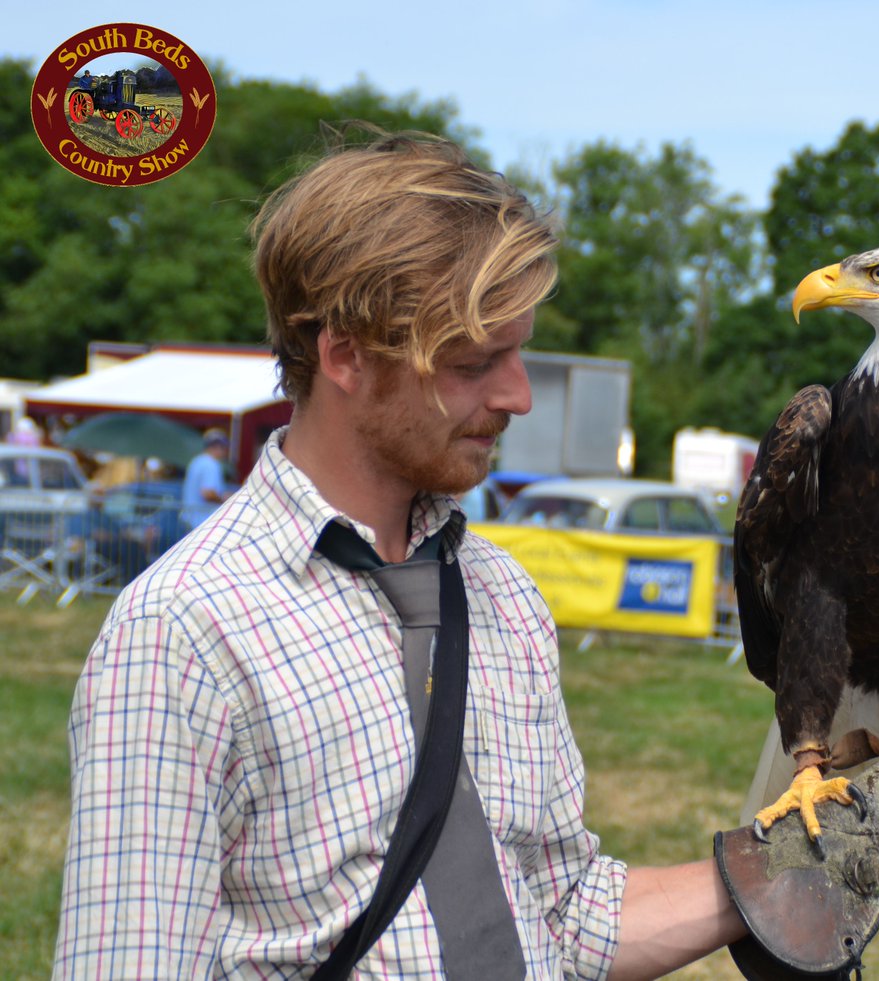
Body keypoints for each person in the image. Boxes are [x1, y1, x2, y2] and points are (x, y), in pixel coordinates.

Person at [54, 131, 748, 979]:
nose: (518, 394)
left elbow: (560, 916)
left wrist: (788, 872)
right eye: (471, 361)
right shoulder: (186, 629)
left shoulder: (505, 597)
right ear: (343, 354)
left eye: (519, 350)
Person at [180, 427, 230, 529]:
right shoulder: (211, 464)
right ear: (217, 447)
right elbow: (208, 493)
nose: (225, 452)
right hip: (203, 522)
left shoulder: (197, 461)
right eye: (224, 448)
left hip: (190, 519)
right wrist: (226, 500)